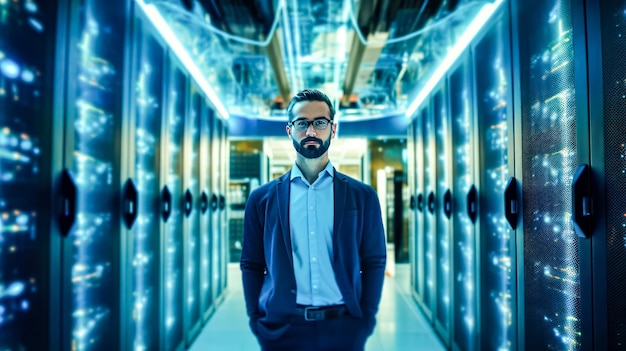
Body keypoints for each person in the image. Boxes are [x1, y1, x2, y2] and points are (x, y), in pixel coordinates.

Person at [240, 89, 387, 351]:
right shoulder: (261, 199)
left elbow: (374, 261)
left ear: (333, 129)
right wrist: (256, 320)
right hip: (282, 330)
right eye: (301, 123)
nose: (311, 131)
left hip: (344, 328)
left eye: (320, 122)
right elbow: (251, 264)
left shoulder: (362, 196)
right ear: (289, 130)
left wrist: (366, 318)